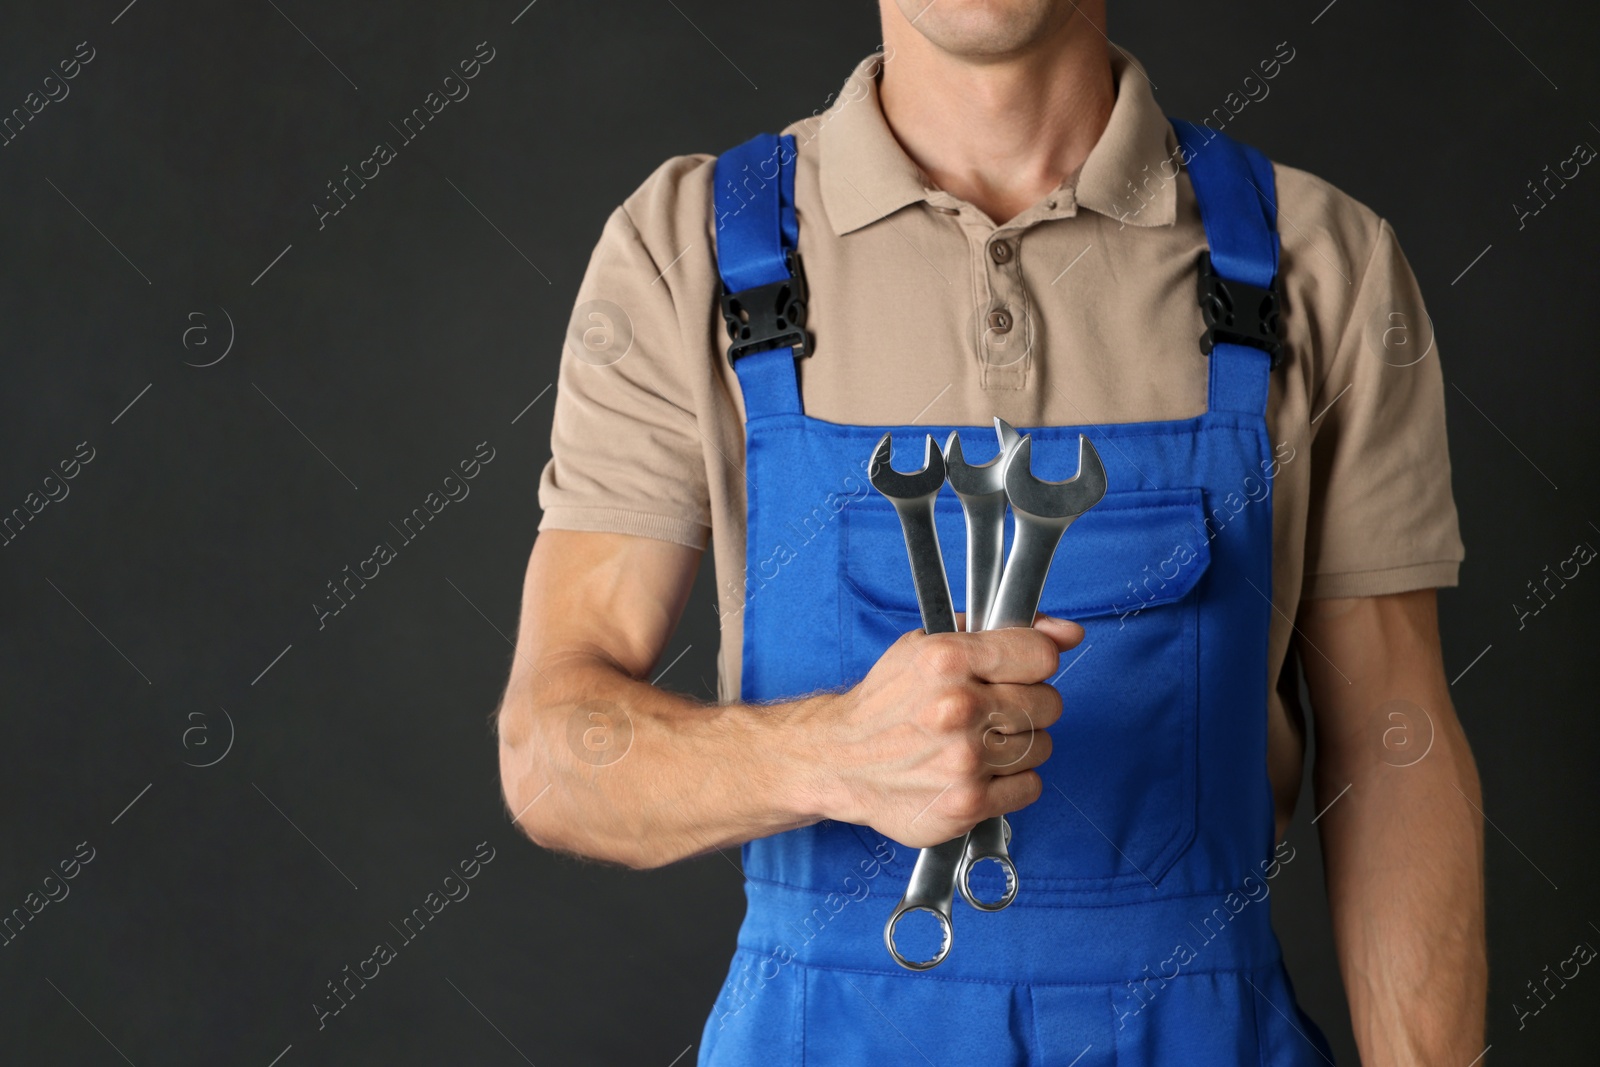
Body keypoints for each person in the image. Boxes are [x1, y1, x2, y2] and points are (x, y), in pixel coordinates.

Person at [494, 2, 1488, 1063]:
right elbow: (552, 753)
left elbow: (1393, 748)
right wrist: (830, 754)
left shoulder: (1320, 265)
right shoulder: (686, 250)